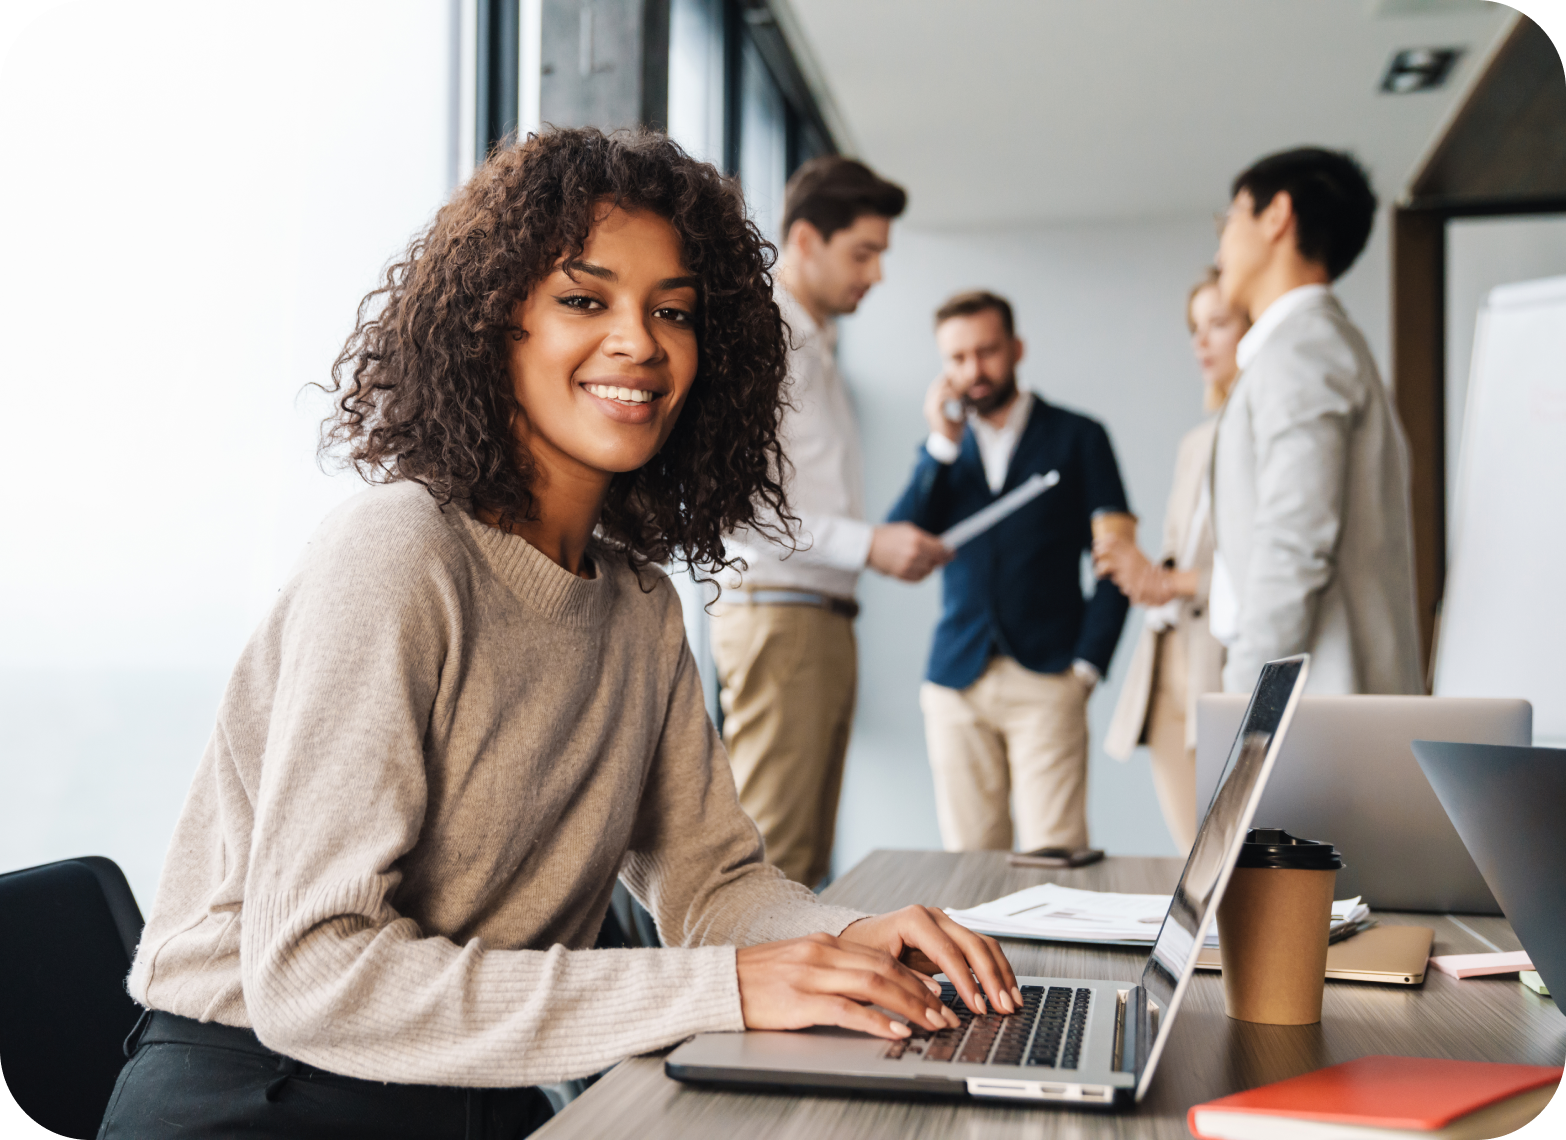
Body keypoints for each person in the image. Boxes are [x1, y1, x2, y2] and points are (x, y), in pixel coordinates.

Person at [101, 129, 1019, 1140]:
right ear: (499, 325)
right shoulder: (400, 551)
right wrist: (723, 990)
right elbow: (314, 975)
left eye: (674, 311)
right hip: (266, 1094)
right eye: (586, 300)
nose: (641, 341)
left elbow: (712, 884)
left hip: (478, 1088)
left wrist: (849, 939)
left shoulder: (638, 605)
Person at [713, 157, 948, 888]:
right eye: (863, 253)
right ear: (806, 241)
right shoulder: (772, 339)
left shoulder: (814, 343)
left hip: (814, 617)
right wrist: (869, 543)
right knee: (773, 863)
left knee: (802, 863)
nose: (876, 274)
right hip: (784, 616)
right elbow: (739, 507)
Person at [887, 291, 1130, 854]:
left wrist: (1088, 667)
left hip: (1048, 676)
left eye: (987, 351)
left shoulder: (1079, 437)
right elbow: (898, 544)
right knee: (969, 862)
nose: (974, 370)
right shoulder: (944, 452)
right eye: (957, 358)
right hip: (956, 680)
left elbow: (1118, 560)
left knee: (1055, 855)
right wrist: (940, 447)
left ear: (1016, 349)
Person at [1208, 147, 1422, 696]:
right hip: (1323, 696)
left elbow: (1295, 540)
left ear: (1277, 215)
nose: (1221, 246)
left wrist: (1243, 694)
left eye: (1230, 219)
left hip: (1315, 701)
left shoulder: (1303, 349)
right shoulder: (1315, 345)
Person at [1098, 269, 1249, 853]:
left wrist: (1167, 580)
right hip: (1164, 665)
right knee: (1194, 856)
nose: (1201, 342)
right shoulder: (1197, 442)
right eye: (1194, 328)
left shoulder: (1265, 436)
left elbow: (1267, 569)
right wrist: (1138, 570)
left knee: (1234, 856)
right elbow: (1176, 559)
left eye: (1218, 323)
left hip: (1222, 661)